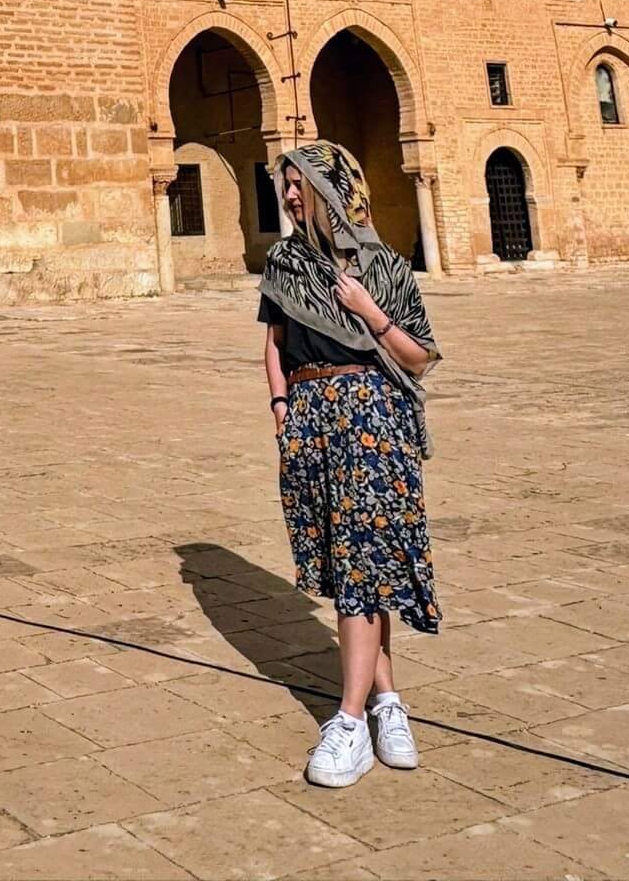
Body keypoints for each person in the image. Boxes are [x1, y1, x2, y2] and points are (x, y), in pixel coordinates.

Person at [258, 139, 441, 788]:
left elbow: (420, 356)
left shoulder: (384, 264)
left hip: (371, 417)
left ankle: (348, 721)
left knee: (363, 566)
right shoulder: (284, 265)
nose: (287, 195)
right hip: (310, 419)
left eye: (297, 184)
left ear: (330, 189)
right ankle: (390, 706)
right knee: (348, 567)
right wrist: (281, 405)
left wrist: (368, 311)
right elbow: (275, 344)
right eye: (283, 185)